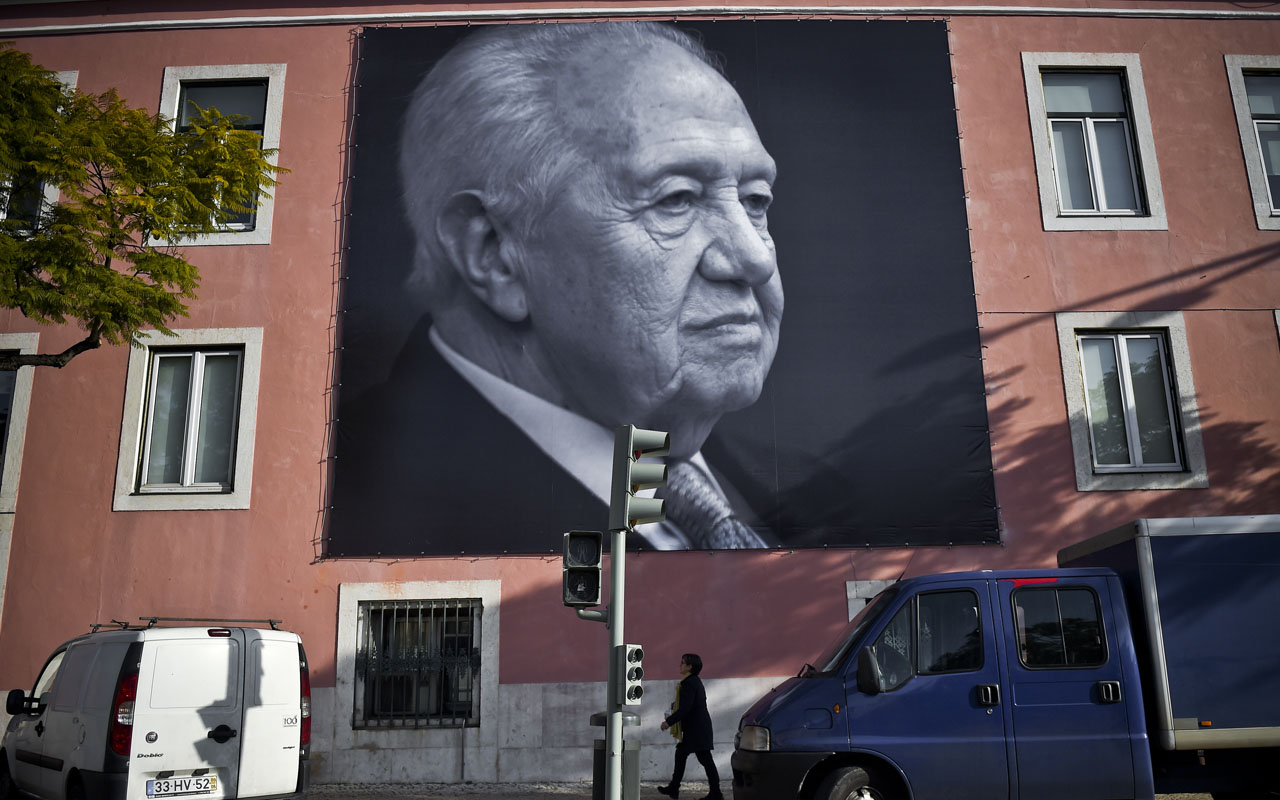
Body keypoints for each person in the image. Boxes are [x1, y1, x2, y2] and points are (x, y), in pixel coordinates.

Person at [329, 22, 784, 556]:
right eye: (676, 200)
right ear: (494, 253)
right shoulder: (370, 509)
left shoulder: (802, 491)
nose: (756, 258)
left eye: (755, 201)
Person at [659, 653, 722, 800]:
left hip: (697, 729)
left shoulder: (688, 683)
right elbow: (686, 704)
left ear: (689, 667)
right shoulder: (693, 681)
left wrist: (668, 722)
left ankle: (714, 793)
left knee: (700, 758)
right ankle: (676, 788)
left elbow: (685, 708)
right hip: (698, 728)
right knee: (693, 756)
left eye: (682, 663)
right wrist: (673, 708)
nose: (680, 665)